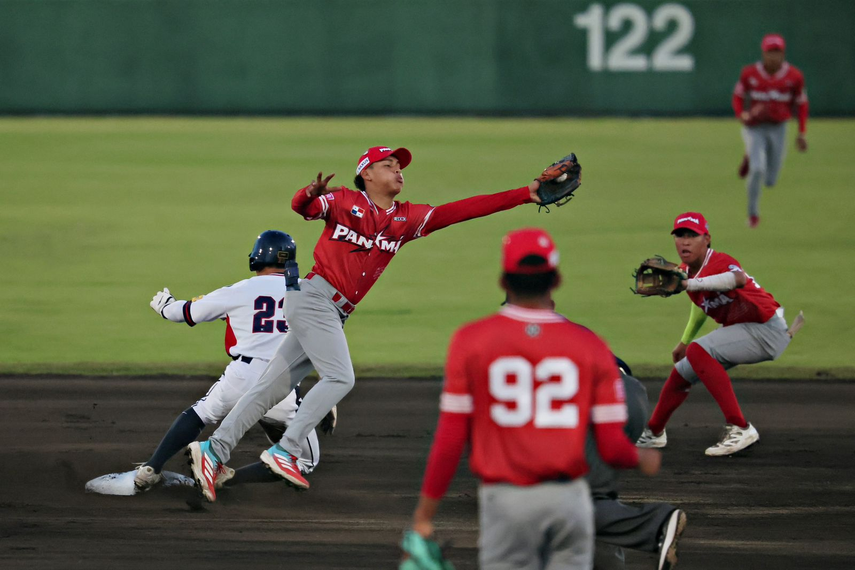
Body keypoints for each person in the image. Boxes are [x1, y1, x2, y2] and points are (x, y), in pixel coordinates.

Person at [187, 145, 553, 502]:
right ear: (367, 173)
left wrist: (524, 194)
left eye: (399, 165)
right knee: (340, 377)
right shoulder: (344, 200)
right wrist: (307, 194)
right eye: (389, 164)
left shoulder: (406, 218)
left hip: (329, 310)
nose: (398, 170)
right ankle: (287, 450)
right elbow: (304, 207)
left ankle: (213, 451)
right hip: (314, 298)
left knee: (270, 387)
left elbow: (460, 211)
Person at [409, 228, 661, 570]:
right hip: (570, 500)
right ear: (556, 281)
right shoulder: (589, 345)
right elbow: (612, 446)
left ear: (503, 281)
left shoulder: (471, 341)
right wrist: (641, 458)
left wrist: (425, 514)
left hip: (507, 501)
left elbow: (450, 439)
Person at [134, 230, 325, 493]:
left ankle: (150, 470)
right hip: (284, 384)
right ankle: (228, 481)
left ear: (258, 256)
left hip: (242, 375)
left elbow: (186, 313)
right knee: (304, 462)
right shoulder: (309, 292)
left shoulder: (240, 290)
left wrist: (166, 306)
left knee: (202, 413)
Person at [636, 213, 796, 456]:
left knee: (699, 351)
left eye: (692, 236)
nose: (685, 242)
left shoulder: (719, 262)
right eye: (680, 235)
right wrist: (684, 340)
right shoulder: (684, 273)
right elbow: (701, 305)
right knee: (683, 372)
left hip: (767, 329)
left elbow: (737, 279)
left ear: (707, 239)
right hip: (744, 330)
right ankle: (654, 433)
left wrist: (690, 285)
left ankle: (740, 427)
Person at [589, 358, 686, 570]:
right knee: (593, 493)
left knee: (561, 495)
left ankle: (655, 524)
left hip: (599, 401)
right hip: (631, 396)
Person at [732, 33, 808, 228]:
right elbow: (738, 96)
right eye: (770, 52)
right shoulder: (750, 73)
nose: (773, 56)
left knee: (771, 180)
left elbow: (801, 104)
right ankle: (753, 215)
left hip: (778, 128)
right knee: (757, 170)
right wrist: (742, 114)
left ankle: (750, 154)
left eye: (777, 52)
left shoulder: (794, 76)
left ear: (783, 54)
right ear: (763, 53)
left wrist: (801, 132)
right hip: (755, 127)